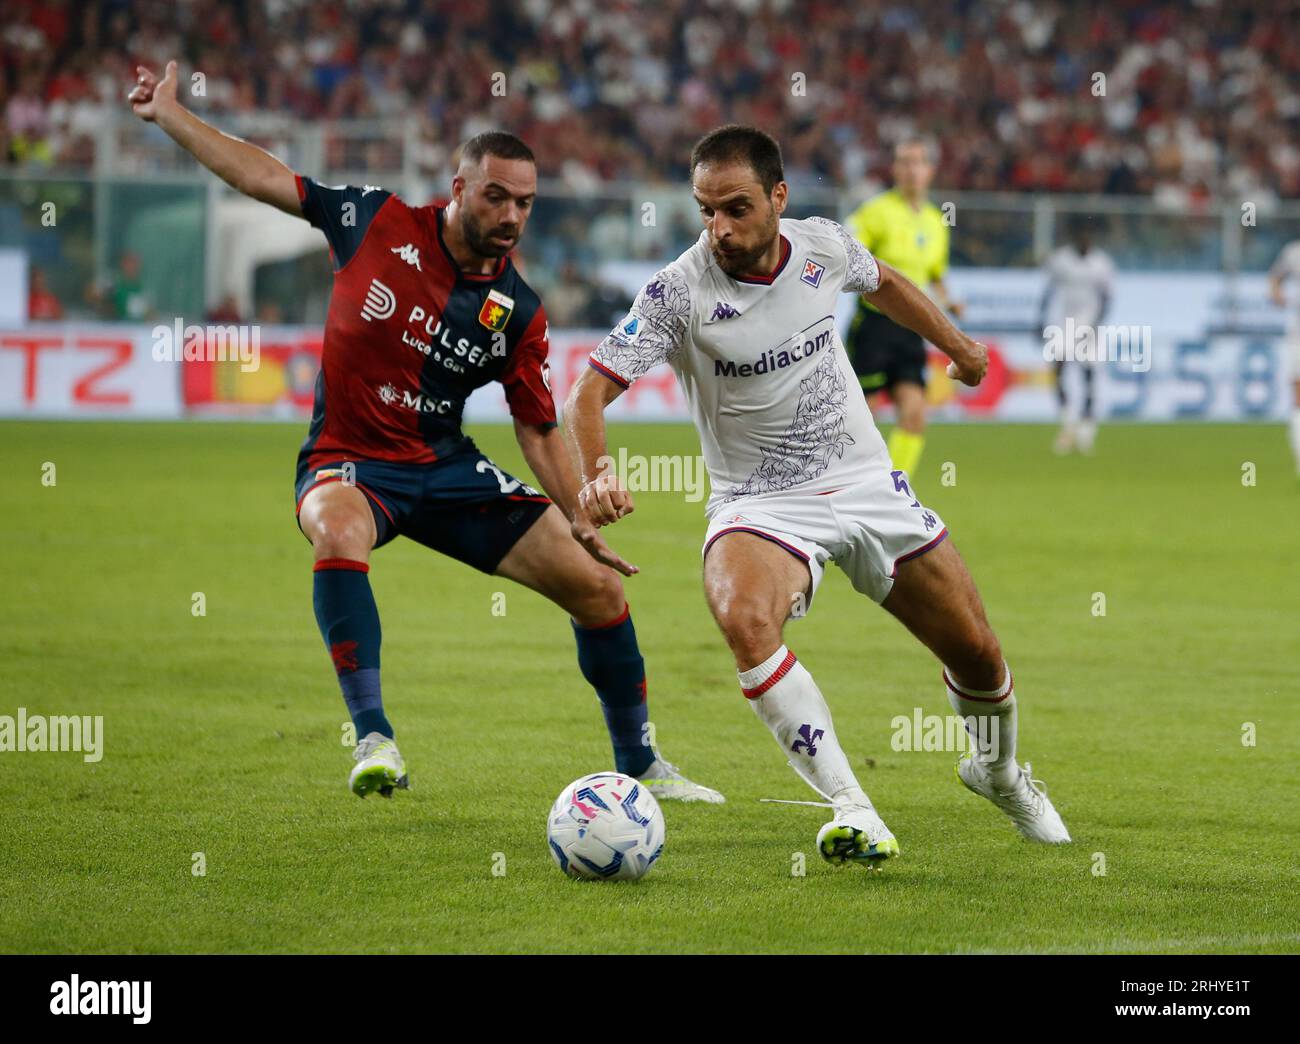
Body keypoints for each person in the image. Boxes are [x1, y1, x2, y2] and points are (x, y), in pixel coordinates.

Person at [127, 60, 722, 803]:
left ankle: (639, 763)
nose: (511, 216)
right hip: (347, 461)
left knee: (598, 587)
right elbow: (263, 178)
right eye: (497, 196)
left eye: (526, 204)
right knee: (338, 532)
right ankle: (373, 738)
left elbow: (537, 427)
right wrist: (173, 116)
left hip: (444, 470)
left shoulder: (518, 310)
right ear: (459, 188)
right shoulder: (376, 221)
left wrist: (579, 515)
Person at [565, 126, 1069, 867]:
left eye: (736, 209)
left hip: (865, 481)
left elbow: (888, 284)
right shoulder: (678, 289)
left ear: (778, 197)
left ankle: (996, 773)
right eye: (705, 212)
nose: (720, 230)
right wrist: (597, 472)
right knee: (742, 614)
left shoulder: (823, 246)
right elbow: (588, 391)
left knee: (978, 652)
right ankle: (852, 805)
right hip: (760, 503)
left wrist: (957, 346)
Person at [844, 139, 961, 479]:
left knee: (914, 414)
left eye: (918, 162)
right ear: (894, 169)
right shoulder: (874, 212)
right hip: (875, 326)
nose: (911, 169)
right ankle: (846, 485)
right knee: (862, 416)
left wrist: (948, 299)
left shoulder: (936, 221)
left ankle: (895, 488)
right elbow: (851, 254)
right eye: (904, 162)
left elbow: (935, 274)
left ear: (930, 171)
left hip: (912, 329)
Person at [1040, 217, 1114, 454]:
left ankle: (1087, 428)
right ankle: (1068, 422)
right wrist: (1039, 320)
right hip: (1065, 323)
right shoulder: (1061, 260)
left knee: (1088, 376)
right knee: (1058, 370)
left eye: (1087, 237)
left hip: (1090, 325)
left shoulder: (1101, 263)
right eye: (1080, 237)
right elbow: (1049, 291)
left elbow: (1107, 298)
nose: (1083, 241)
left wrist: (1095, 324)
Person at [1267, 238, 1300, 478]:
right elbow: (1275, 278)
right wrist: (1277, 295)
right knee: (1298, 395)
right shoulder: (1293, 252)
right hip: (1298, 335)